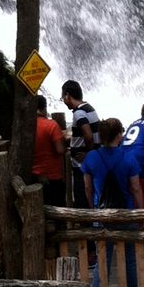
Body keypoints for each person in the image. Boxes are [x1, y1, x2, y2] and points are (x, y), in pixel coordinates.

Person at [83, 118, 142, 287]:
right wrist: (140, 212)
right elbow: (135, 188)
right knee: (131, 262)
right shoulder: (129, 158)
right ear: (119, 135)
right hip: (127, 215)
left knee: (102, 261)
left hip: (103, 215)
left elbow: (88, 188)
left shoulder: (91, 158)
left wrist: (94, 210)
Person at [61, 80, 100, 209]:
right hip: (93, 161)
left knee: (82, 197)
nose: (64, 101)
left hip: (81, 165)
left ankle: (85, 224)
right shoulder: (89, 107)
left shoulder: (79, 113)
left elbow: (88, 136)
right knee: (90, 195)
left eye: (63, 98)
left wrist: (87, 154)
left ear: (68, 95)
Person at [33, 95, 66, 206]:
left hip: (33, 175)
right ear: (44, 108)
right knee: (57, 210)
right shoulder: (51, 125)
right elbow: (60, 150)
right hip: (52, 176)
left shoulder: (27, 126)